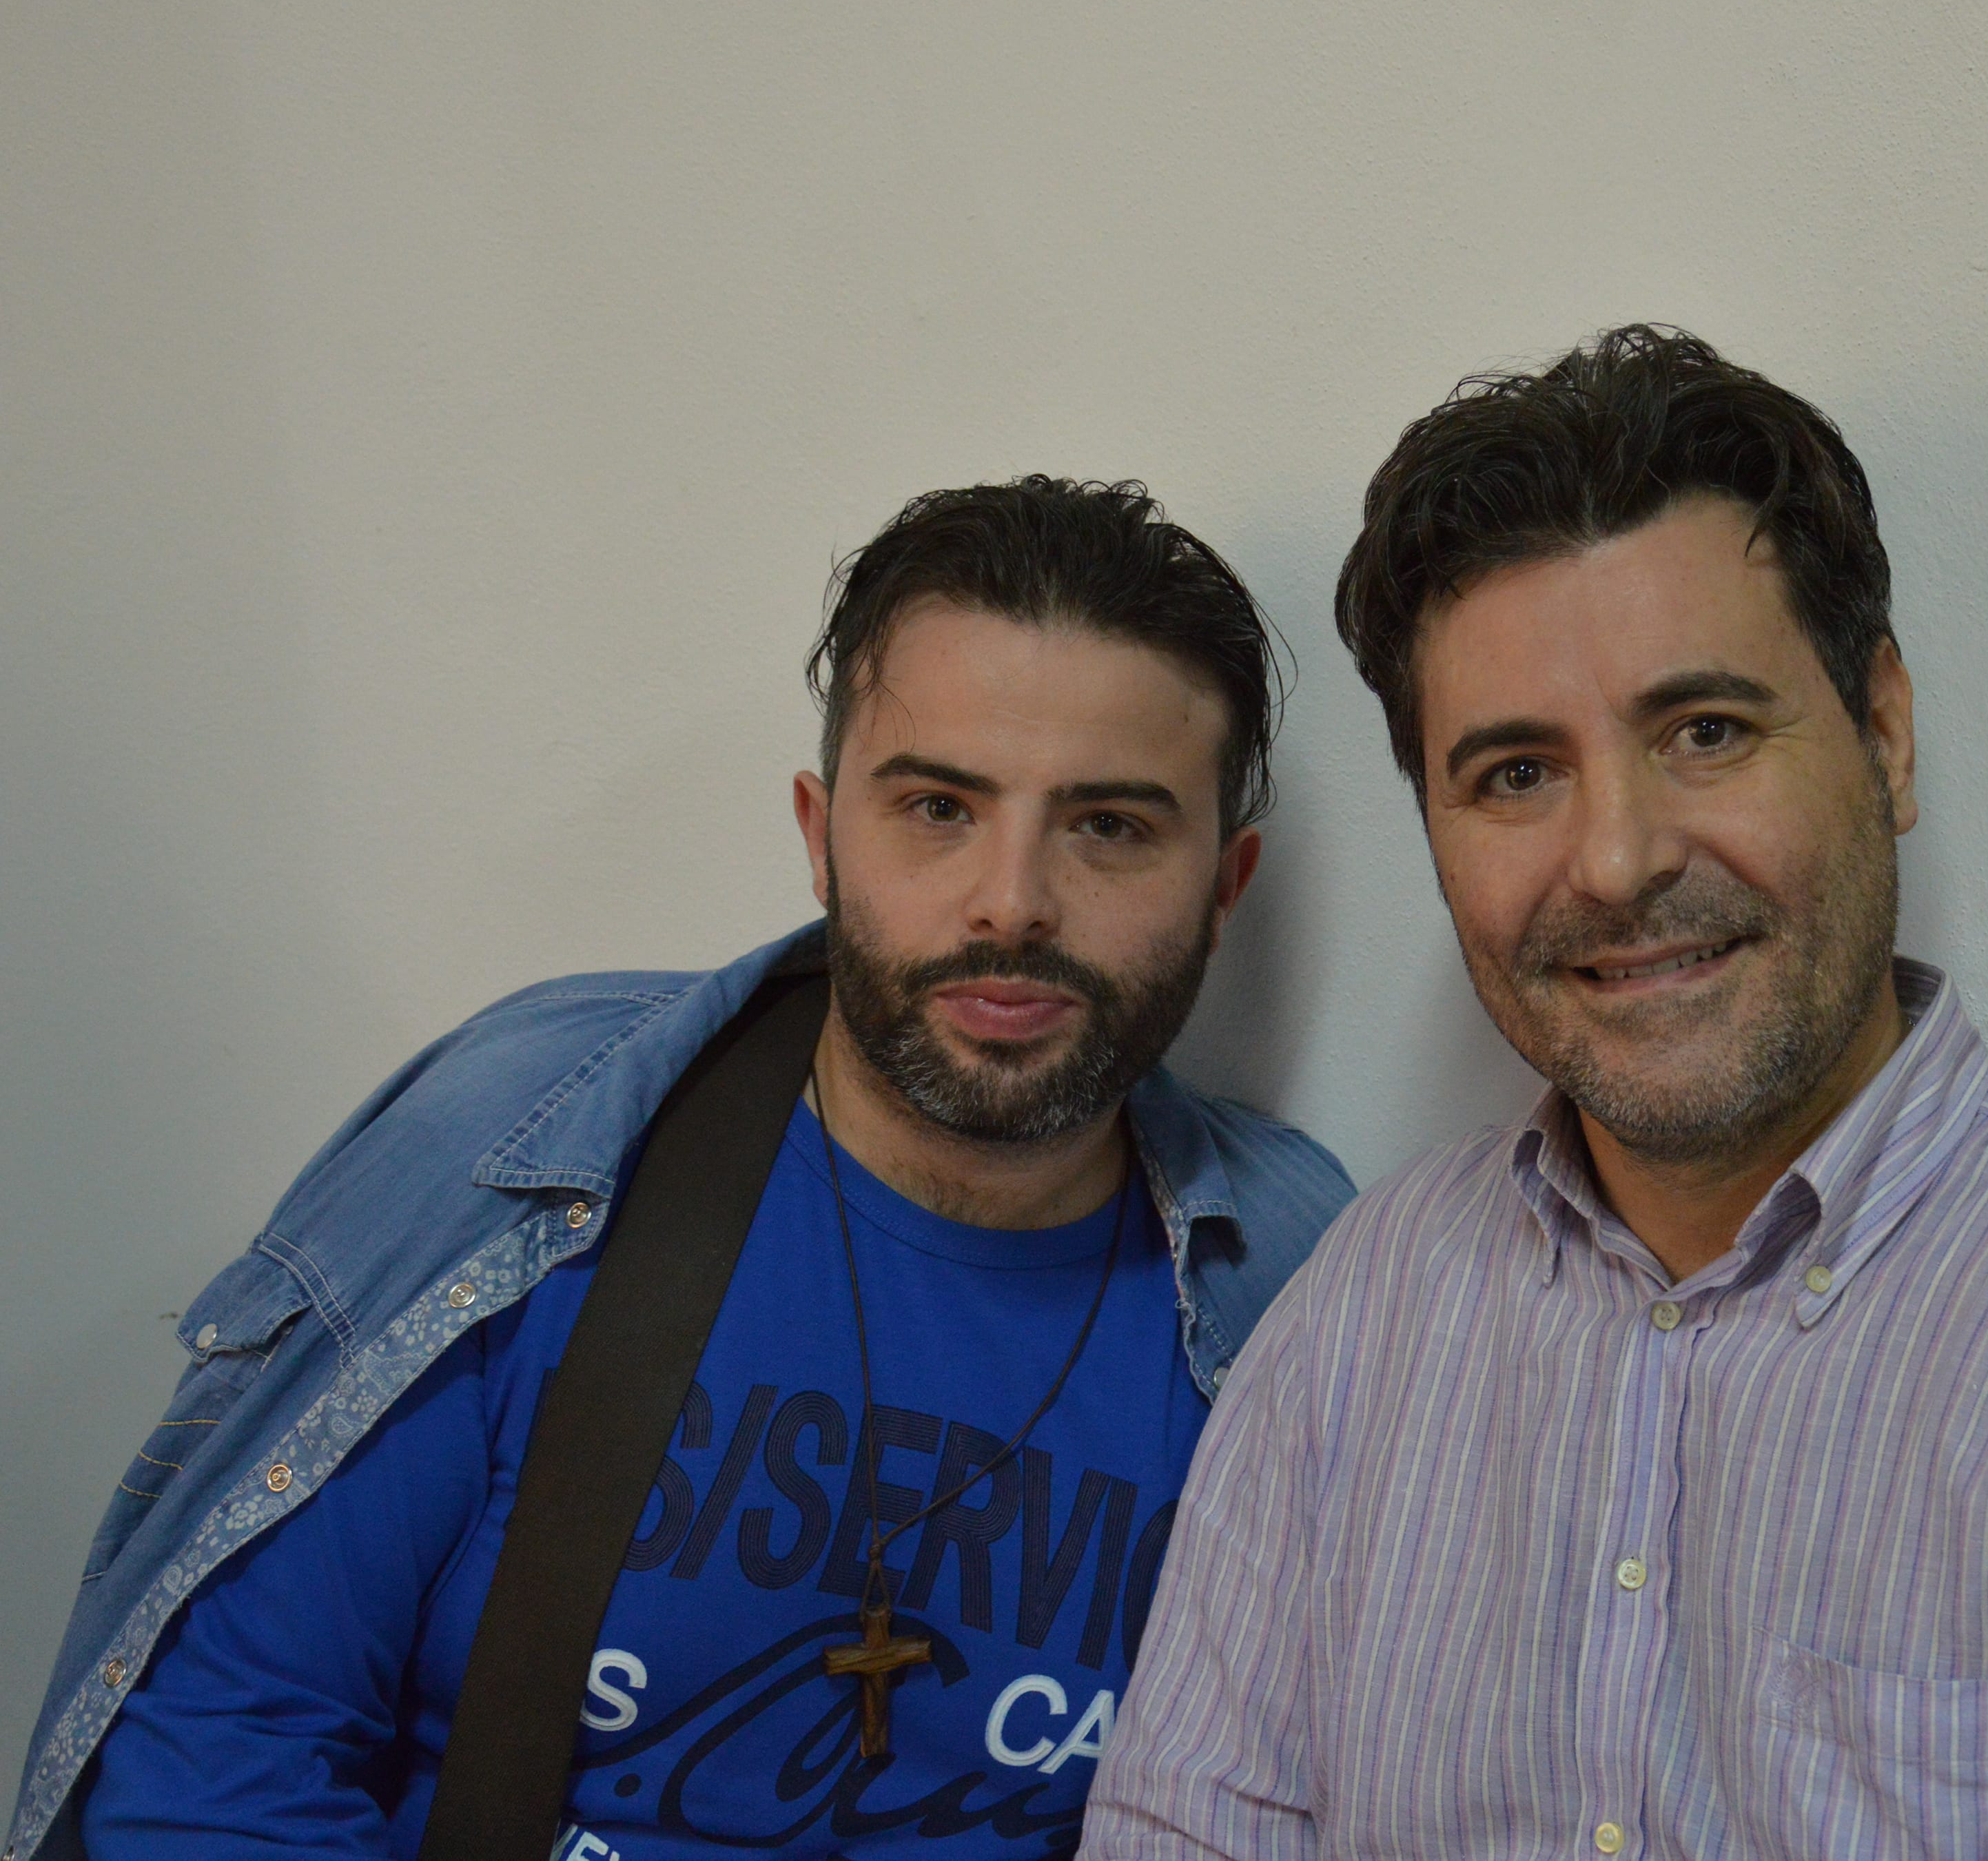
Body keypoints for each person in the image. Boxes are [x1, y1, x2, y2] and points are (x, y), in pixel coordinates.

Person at [1083, 329, 1988, 1860]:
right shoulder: (1363, 1308)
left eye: (1707, 732)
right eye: (1516, 773)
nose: (1618, 862)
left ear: (1885, 736)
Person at [12, 479, 1353, 1861]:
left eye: (1110, 826)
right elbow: (225, 1755)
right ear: (820, 837)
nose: (1011, 901)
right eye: (938, 807)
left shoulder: (1303, 1288)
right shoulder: (530, 1150)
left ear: (1224, 885)